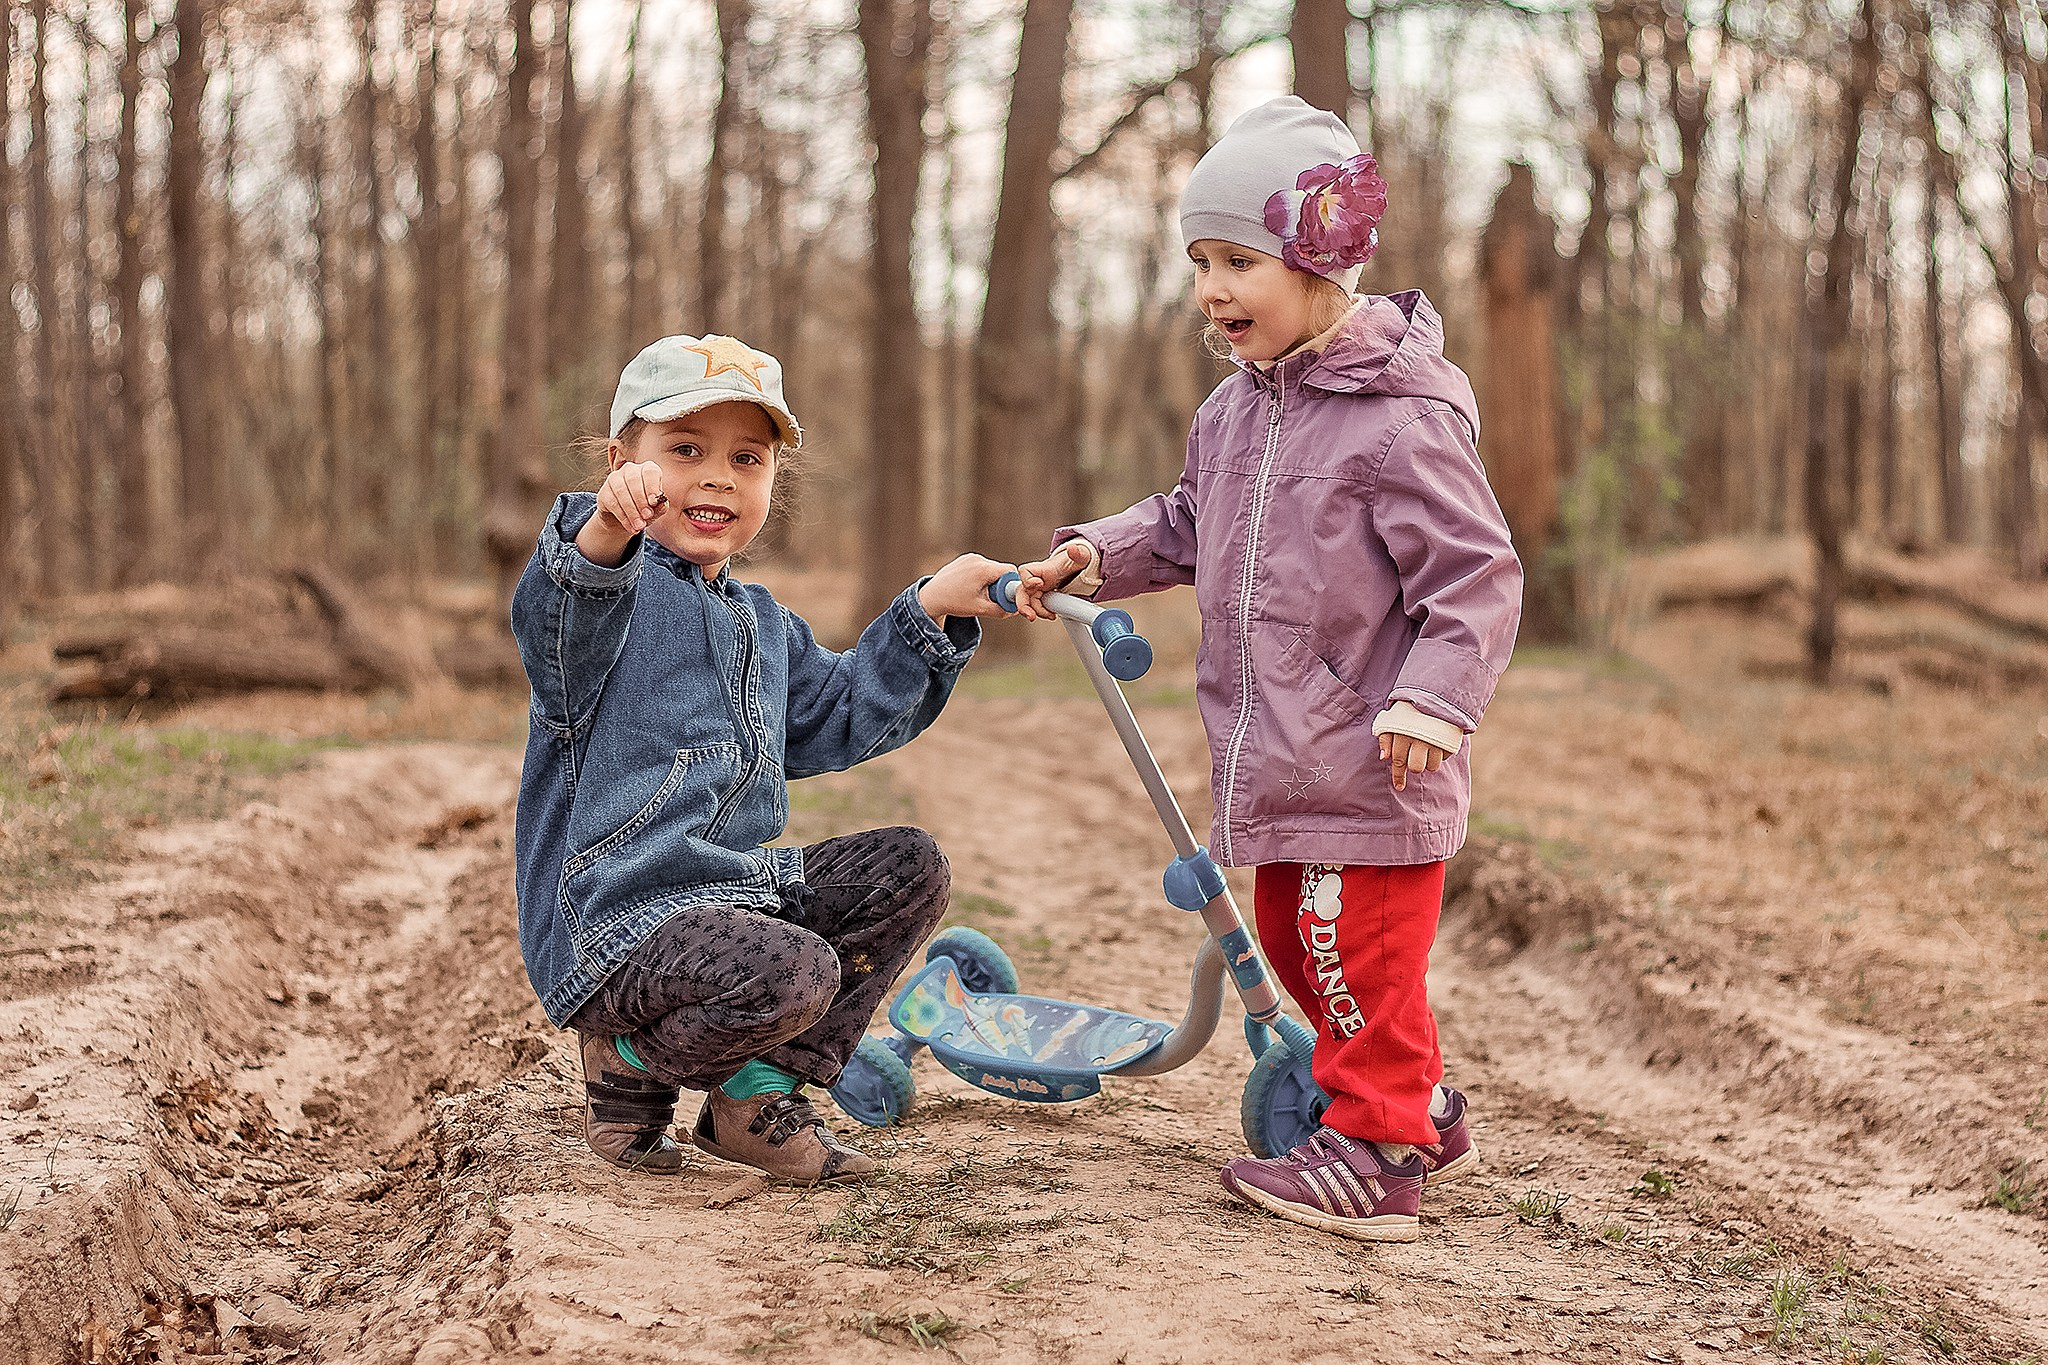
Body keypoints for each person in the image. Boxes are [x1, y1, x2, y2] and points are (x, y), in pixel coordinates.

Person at [1013, 97, 1523, 1241]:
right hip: (1280, 755)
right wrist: (1099, 553)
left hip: (1371, 760)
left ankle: (1379, 1155)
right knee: (1297, 942)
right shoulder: (1233, 413)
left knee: (1353, 955)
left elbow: (1475, 577)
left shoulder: (1400, 421)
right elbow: (1191, 520)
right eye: (1199, 263)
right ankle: (1417, 1110)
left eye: (1238, 261)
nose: (1210, 290)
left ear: (1319, 257)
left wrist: (1433, 702)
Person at [511, 333, 1012, 1186]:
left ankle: (753, 1096)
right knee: (797, 969)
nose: (718, 477)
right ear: (622, 462)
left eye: (747, 458)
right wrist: (604, 527)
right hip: (617, 923)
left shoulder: (762, 624)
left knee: (909, 866)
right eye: (684, 450)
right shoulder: (604, 600)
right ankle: (625, 1058)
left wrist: (930, 606)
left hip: (729, 901)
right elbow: (561, 611)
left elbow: (840, 713)